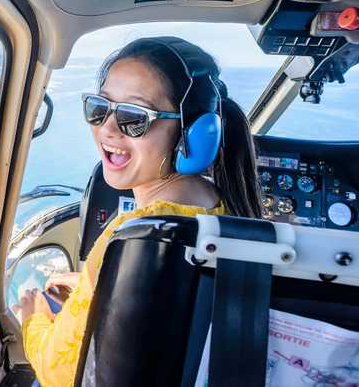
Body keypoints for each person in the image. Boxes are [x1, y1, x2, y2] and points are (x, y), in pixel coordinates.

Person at [18, 37, 262, 387]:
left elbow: (62, 373)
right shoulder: (219, 207)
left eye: (135, 117)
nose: (107, 129)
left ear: (192, 133)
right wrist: (93, 289)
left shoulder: (133, 234)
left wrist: (34, 319)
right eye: (99, 108)